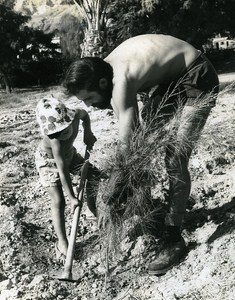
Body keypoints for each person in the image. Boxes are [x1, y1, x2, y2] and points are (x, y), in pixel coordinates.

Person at [63, 34, 219, 275]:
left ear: (102, 85)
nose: (90, 106)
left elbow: (127, 147)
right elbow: (134, 142)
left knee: (175, 157)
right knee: (145, 137)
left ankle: (173, 237)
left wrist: (112, 193)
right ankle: (148, 209)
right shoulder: (101, 71)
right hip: (171, 79)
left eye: (89, 99)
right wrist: (127, 185)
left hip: (197, 73)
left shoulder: (121, 82)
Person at [35, 97, 98, 263]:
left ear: (68, 120)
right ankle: (62, 242)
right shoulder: (54, 140)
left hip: (69, 155)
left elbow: (85, 116)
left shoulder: (75, 115)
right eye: (55, 133)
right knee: (59, 200)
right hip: (49, 162)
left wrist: (88, 133)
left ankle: (93, 210)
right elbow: (62, 170)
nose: (60, 135)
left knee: (93, 175)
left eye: (62, 129)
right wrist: (71, 198)